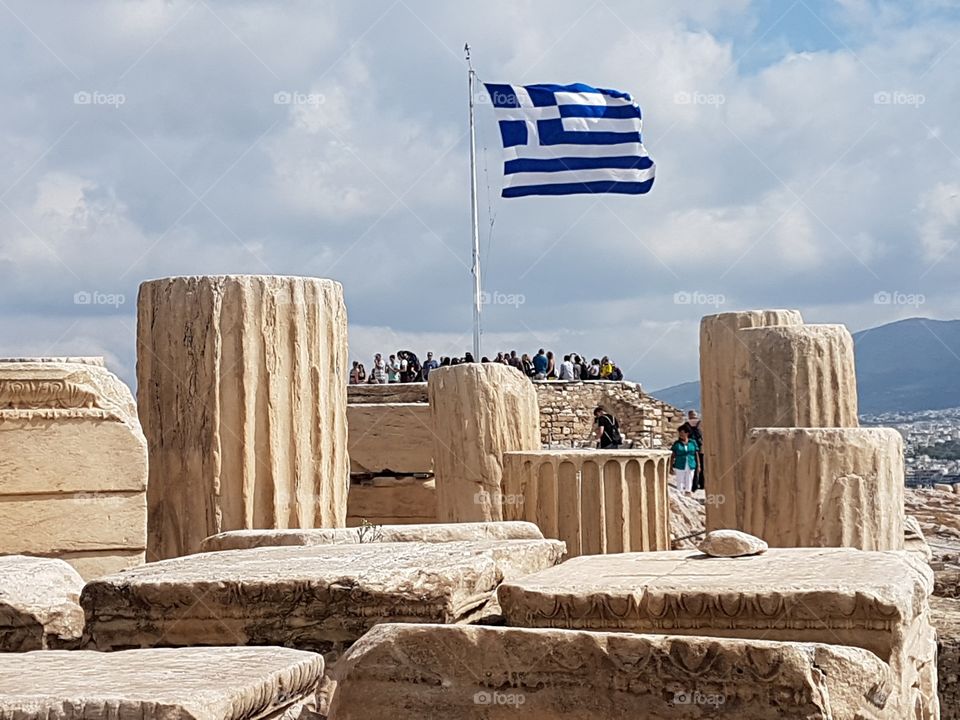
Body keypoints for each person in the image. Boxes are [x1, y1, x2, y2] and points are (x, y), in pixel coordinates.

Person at [670, 425, 700, 495]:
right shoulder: (677, 444)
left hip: (691, 464)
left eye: (682, 432)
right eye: (680, 433)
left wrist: (698, 465)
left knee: (689, 479)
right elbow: (672, 456)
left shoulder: (692, 442)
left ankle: (688, 493)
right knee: (680, 481)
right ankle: (679, 494)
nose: (680, 434)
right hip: (680, 464)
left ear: (687, 433)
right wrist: (670, 467)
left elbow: (696, 454)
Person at [680, 410, 704, 491]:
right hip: (701, 448)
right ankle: (702, 483)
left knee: (692, 466)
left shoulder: (685, 425)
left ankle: (693, 485)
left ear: (689, 415)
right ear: (696, 415)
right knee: (701, 466)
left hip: (690, 448)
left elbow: (682, 436)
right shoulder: (701, 423)